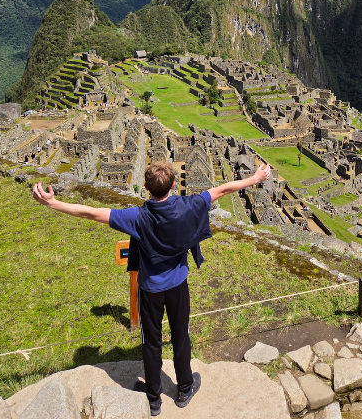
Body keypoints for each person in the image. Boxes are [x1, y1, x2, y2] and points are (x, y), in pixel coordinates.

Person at [32, 161, 272, 416]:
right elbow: (223, 190)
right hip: (178, 284)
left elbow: (92, 213)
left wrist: (52, 203)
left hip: (150, 288)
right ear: (174, 185)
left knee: (151, 341)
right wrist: (255, 178)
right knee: (181, 336)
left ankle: (154, 398)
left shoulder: (136, 217)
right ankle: (185, 388)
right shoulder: (188, 206)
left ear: (145, 187)